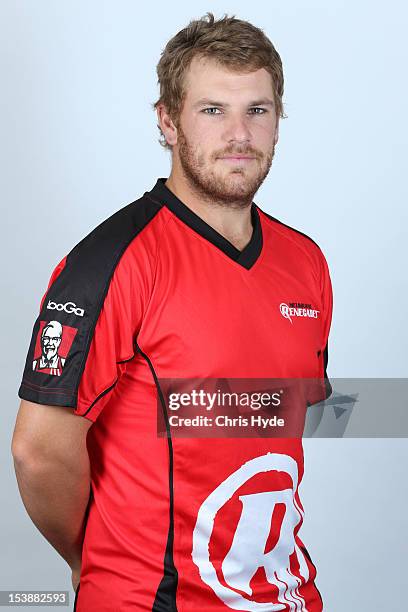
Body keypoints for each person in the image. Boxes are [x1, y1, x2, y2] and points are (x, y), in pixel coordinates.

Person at [12, 12, 333, 611]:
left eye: (257, 111)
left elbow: (273, 428)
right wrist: (96, 562)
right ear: (167, 120)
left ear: (278, 121)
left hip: (285, 596)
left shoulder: (305, 262)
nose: (239, 134)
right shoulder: (114, 261)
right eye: (213, 110)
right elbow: (39, 450)